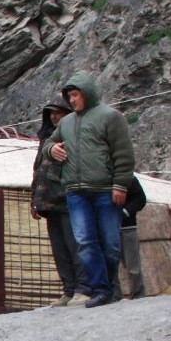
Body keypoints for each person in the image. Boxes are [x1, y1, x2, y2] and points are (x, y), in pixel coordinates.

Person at [42, 72, 135, 308]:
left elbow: (123, 154)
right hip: (75, 191)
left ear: (87, 93)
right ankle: (100, 290)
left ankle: (110, 287)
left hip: (105, 188)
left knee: (111, 242)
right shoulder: (66, 123)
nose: (72, 100)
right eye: (69, 96)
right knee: (85, 242)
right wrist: (51, 150)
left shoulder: (110, 117)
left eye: (75, 95)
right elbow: (48, 143)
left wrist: (120, 184)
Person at [32, 98, 87, 306]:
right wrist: (34, 200)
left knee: (75, 246)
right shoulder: (45, 141)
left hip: (67, 200)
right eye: (51, 113)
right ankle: (69, 290)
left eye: (59, 113)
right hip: (48, 202)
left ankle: (83, 288)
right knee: (59, 250)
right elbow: (37, 171)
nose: (54, 117)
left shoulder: (73, 136)